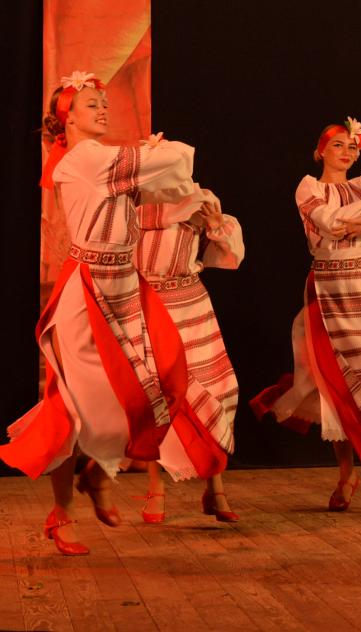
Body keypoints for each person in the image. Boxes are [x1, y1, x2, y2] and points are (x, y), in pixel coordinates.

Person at [0, 71, 227, 555]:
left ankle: (97, 474)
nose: (102, 109)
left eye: (104, 103)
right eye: (91, 104)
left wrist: (157, 163)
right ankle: (65, 510)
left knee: (157, 383)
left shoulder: (105, 160)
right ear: (67, 118)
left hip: (125, 285)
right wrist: (155, 153)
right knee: (74, 406)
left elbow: (172, 189)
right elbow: (175, 161)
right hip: (89, 291)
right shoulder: (86, 159)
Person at [252, 118, 361, 512]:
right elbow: (329, 223)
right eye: (338, 145)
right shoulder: (309, 187)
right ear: (320, 151)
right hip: (329, 290)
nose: (346, 152)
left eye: (352, 146)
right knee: (337, 382)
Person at [136, 185, 244, 523]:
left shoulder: (200, 199)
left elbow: (231, 256)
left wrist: (216, 226)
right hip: (148, 304)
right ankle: (156, 488)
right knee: (155, 397)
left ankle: (215, 487)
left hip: (191, 302)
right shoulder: (132, 202)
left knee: (215, 389)